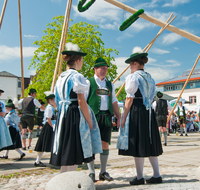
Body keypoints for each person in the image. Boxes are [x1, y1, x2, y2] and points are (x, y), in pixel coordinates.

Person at [50, 42, 102, 173]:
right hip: (74, 115)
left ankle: (63, 181)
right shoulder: (77, 76)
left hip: (63, 115)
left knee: (66, 150)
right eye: (82, 60)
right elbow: (81, 101)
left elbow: (57, 100)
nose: (82, 63)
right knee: (73, 150)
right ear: (78, 60)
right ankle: (69, 182)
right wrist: (89, 121)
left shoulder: (61, 77)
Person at [117, 47, 163, 185]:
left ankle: (139, 177)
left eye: (131, 64)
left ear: (135, 63)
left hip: (137, 111)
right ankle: (156, 175)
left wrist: (124, 117)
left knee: (138, 142)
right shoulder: (151, 78)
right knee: (149, 141)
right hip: (148, 112)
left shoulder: (133, 77)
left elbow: (129, 98)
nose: (130, 67)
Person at [86, 58, 121, 182]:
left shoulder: (110, 84)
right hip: (93, 117)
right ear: (95, 69)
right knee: (91, 144)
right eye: (102, 68)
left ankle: (103, 171)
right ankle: (91, 172)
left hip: (106, 117)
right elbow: (83, 102)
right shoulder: (88, 82)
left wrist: (119, 117)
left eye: (106, 68)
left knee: (105, 143)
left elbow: (114, 101)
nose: (105, 70)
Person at [34, 92, 56, 167]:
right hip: (49, 127)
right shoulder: (49, 108)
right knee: (44, 144)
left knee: (52, 144)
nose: (55, 101)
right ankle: (37, 161)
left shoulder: (52, 107)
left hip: (52, 126)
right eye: (54, 99)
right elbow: (48, 119)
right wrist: (53, 127)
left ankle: (39, 161)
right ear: (49, 100)